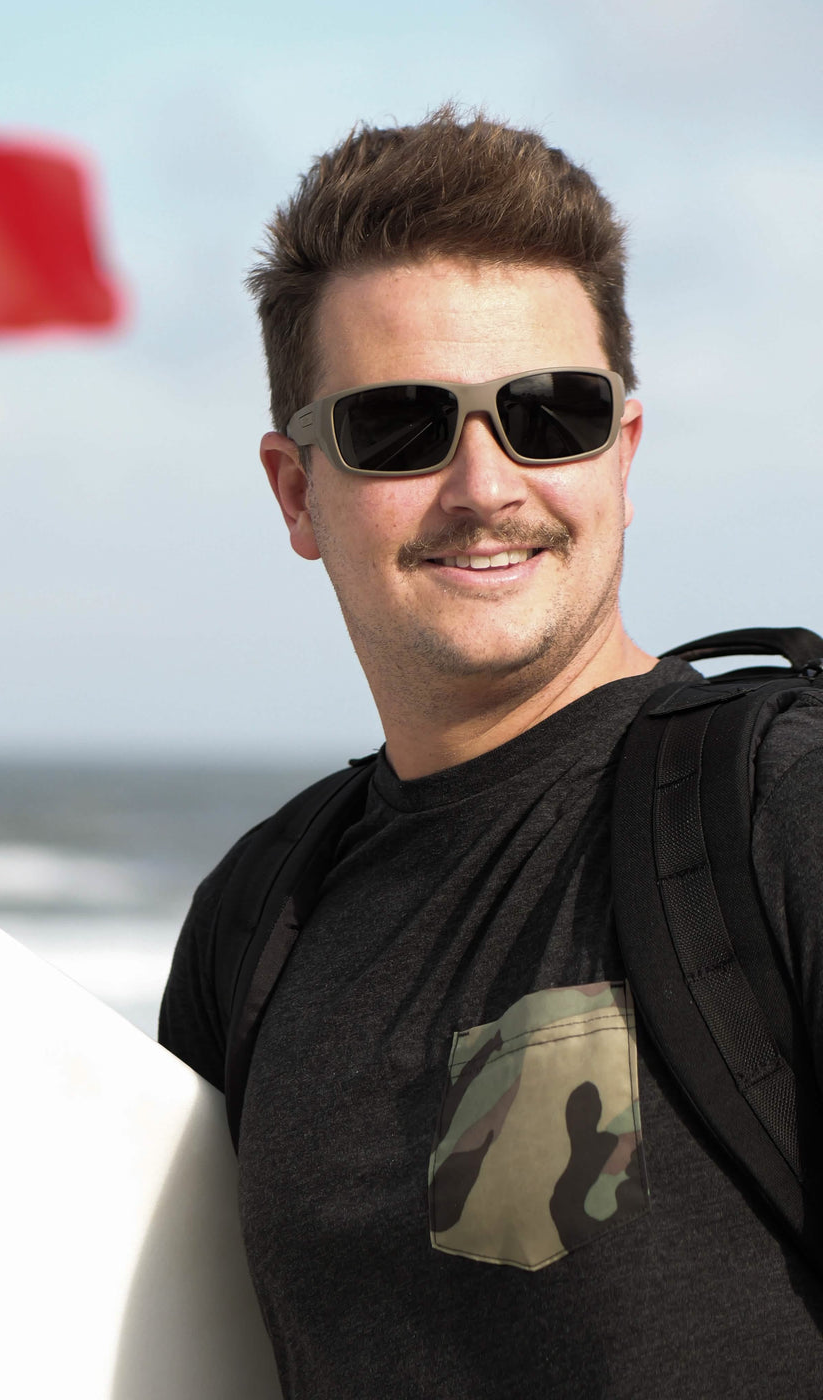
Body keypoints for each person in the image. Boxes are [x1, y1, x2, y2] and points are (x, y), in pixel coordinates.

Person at [158, 108, 823, 1397]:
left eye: (549, 415)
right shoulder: (255, 921)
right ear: (298, 490)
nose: (485, 484)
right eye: (402, 426)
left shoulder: (778, 809)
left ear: (621, 455)